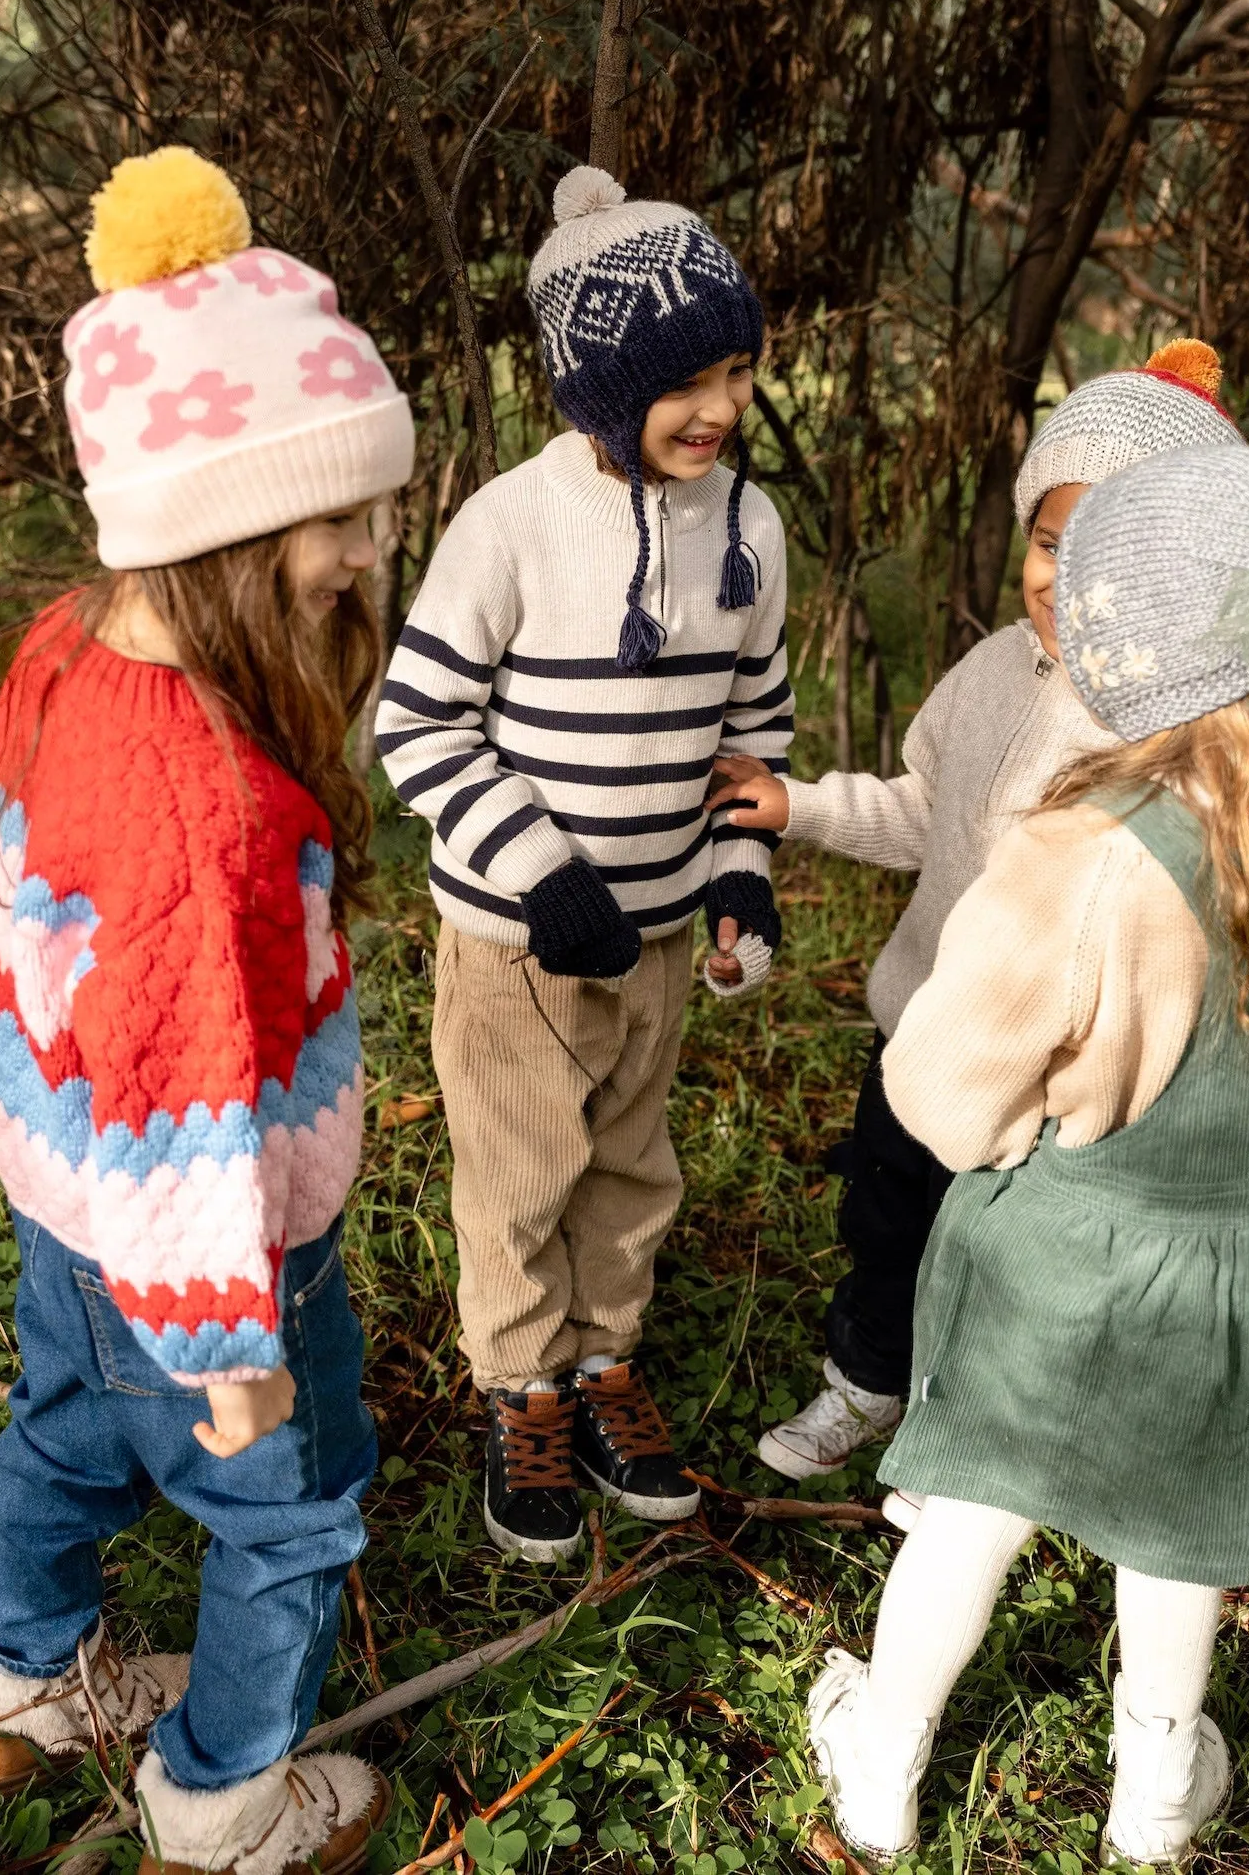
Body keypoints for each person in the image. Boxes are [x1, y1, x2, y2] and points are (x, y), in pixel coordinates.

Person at [805, 441, 1249, 1867]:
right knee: (1181, 1536)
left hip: (1073, 1253)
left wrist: (1017, 1143)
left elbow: (949, 1079)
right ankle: (1155, 1791)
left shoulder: (1084, 844)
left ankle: (882, 1762)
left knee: (968, 1512)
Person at [0, 147, 414, 1875]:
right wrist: (228, 1353)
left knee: (65, 1427)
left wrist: (42, 1127)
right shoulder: (202, 808)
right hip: (208, 1257)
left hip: (69, 1209)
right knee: (287, 1516)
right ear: (223, 524)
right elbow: (188, 1104)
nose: (371, 550)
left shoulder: (69, 646)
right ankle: (221, 1798)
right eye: (343, 516)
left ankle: (14, 1680)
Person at [711, 342, 1242, 1485]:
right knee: (889, 1223)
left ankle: (982, 1449)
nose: (1063, 577)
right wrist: (794, 805)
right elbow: (919, 810)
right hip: (920, 1031)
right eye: (1051, 542)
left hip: (1052, 1080)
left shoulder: (1170, 734)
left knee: (1012, 1262)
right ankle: (867, 1382)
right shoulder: (992, 669)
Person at [376, 166, 794, 1565]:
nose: (721, 406)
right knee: (518, 1172)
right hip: (514, 943)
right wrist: (543, 871)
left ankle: (604, 1362)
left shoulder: (750, 527)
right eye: (685, 379)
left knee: (628, 1161)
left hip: (662, 937)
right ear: (599, 383)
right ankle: (524, 1388)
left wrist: (739, 877)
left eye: (735, 369)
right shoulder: (510, 524)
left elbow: (754, 729)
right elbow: (417, 722)